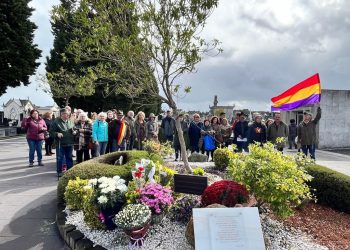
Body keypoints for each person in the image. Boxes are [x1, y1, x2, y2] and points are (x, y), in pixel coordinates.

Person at [50, 108, 75, 177]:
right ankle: (59, 171)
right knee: (60, 158)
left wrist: (74, 132)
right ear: (61, 114)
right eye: (66, 113)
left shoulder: (70, 122)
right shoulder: (56, 122)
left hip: (70, 142)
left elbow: (73, 129)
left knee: (69, 157)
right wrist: (57, 134)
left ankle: (70, 171)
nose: (67, 115)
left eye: (68, 114)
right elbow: (51, 132)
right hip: (60, 143)